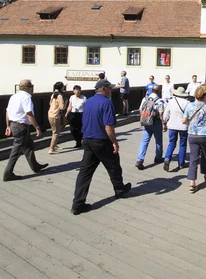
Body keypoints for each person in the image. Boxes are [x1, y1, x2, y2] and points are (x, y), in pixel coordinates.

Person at [71, 77, 131, 214]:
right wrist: (115, 142)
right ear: (103, 89)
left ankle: (77, 204)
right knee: (114, 165)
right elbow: (108, 126)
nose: (111, 90)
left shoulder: (89, 101)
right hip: (101, 140)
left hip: (87, 139)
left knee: (85, 173)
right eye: (110, 88)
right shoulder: (107, 103)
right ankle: (120, 190)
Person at [3, 80, 48, 181]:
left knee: (29, 146)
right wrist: (37, 128)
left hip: (14, 125)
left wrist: (8, 126)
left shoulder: (14, 96)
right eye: (31, 86)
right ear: (28, 88)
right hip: (21, 127)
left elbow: (7, 111)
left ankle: (35, 166)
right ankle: (8, 173)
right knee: (16, 151)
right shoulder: (26, 97)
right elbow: (29, 114)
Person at [183, 85, 206, 193]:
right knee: (205, 155)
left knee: (193, 158)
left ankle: (192, 183)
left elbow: (184, 120)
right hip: (205, 135)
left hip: (192, 134)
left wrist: (191, 122)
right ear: (205, 96)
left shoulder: (189, 106)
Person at [135, 85, 165, 170]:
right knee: (158, 141)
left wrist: (145, 118)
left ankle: (140, 159)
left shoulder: (145, 99)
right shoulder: (160, 101)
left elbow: (140, 110)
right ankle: (158, 157)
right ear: (159, 91)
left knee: (144, 141)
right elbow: (161, 113)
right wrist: (163, 123)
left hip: (146, 123)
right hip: (156, 123)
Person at [162, 86, 189, 171]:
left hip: (172, 125)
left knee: (172, 143)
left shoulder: (171, 102)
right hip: (183, 126)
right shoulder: (187, 103)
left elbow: (166, 114)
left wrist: (164, 123)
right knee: (182, 145)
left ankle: (167, 158)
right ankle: (181, 163)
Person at [48, 82, 67, 154]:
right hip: (55, 115)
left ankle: (55, 145)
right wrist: (65, 103)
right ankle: (51, 148)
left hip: (51, 113)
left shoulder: (53, 94)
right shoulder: (60, 96)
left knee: (56, 130)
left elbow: (50, 103)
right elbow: (62, 107)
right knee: (55, 132)